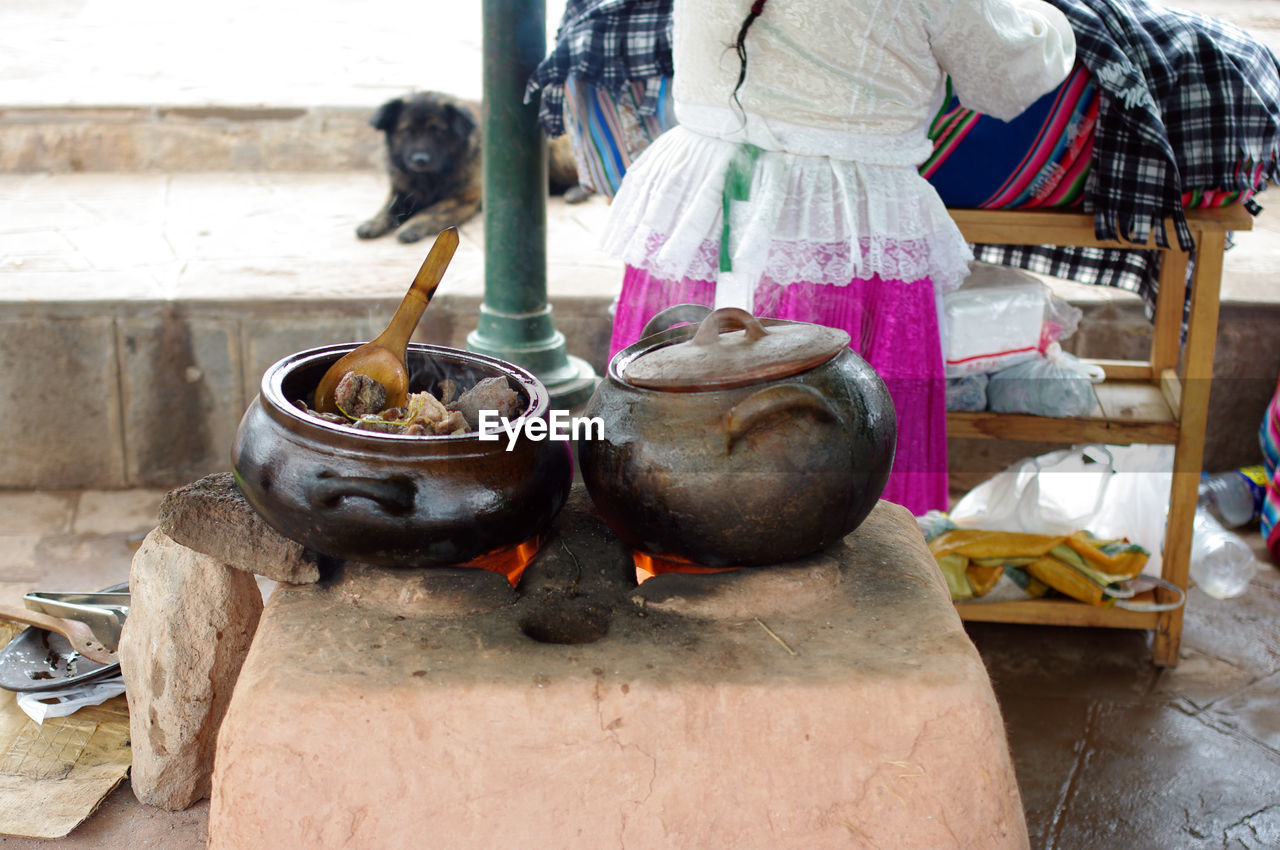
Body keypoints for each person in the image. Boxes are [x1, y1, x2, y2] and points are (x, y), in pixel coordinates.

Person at [600, 0, 1076, 515]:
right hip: (843, 226)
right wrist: (1046, 16)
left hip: (699, 212)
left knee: (663, 455)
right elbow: (1008, 73)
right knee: (841, 483)